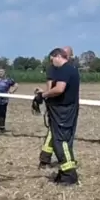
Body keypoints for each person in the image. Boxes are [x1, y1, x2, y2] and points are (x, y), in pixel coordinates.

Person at [35, 48, 80, 185]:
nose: (51, 63)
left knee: (61, 141)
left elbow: (59, 89)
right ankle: (64, 171)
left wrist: (43, 95)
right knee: (61, 141)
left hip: (63, 111)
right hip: (63, 109)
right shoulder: (70, 69)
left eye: (52, 59)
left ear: (58, 56)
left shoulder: (65, 70)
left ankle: (69, 175)